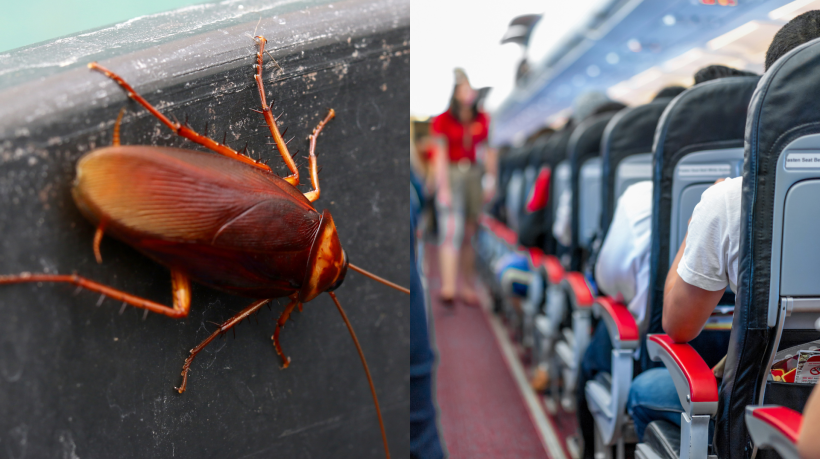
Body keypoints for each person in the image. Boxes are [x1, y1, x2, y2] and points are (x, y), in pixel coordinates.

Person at [626, 10, 820, 441]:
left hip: (762, 418)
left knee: (643, 392)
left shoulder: (732, 199)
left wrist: (700, 214)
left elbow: (679, 326)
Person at [431, 69, 490, 305]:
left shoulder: (483, 118)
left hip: (474, 175)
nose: (468, 93)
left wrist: (491, 180)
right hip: (454, 175)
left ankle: (467, 285)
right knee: (451, 231)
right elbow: (440, 157)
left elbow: (488, 151)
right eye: (463, 89)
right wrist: (442, 188)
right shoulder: (443, 120)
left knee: (469, 233)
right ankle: (448, 287)